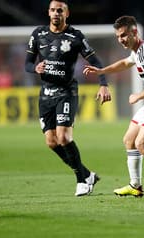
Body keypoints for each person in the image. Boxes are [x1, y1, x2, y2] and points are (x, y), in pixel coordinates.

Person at [84, 15, 144, 200]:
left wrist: (137, 96)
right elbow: (125, 63)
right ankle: (135, 186)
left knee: (142, 143)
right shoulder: (139, 50)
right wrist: (102, 71)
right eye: (118, 36)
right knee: (129, 140)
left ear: (134, 32)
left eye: (124, 35)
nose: (121, 40)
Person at [25, 0, 111, 197]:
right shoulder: (38, 34)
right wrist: (35, 68)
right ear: (48, 13)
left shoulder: (75, 36)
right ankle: (87, 174)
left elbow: (95, 61)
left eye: (60, 10)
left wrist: (103, 83)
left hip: (66, 92)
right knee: (52, 142)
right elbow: (27, 63)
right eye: (53, 10)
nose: (56, 13)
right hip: (46, 94)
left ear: (67, 13)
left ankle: (81, 181)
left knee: (64, 137)